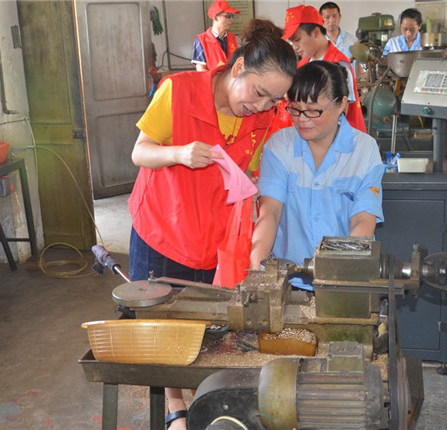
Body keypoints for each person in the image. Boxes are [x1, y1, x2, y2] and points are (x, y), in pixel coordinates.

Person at [128, 23, 297, 430]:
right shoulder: (179, 90)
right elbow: (140, 152)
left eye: (273, 100)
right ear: (238, 67)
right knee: (163, 327)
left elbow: (255, 175)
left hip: (212, 240)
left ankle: (205, 400)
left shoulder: (264, 118)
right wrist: (179, 152)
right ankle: (175, 407)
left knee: (203, 331)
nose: (261, 106)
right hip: (162, 232)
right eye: (258, 93)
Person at [249, 61, 384, 290]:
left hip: (343, 279)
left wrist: (340, 274)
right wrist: (256, 270)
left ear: (341, 104)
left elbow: (363, 220)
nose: (302, 119)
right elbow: (270, 212)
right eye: (295, 108)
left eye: (313, 110)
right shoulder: (279, 146)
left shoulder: (365, 150)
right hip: (287, 281)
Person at [282, 5, 366, 133]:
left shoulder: (338, 64)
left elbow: (341, 114)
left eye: (297, 40)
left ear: (315, 33)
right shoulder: (304, 63)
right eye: (292, 42)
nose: (295, 47)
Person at [191, 0, 240, 71]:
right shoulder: (201, 40)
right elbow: (201, 70)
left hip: (231, 81)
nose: (231, 20)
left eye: (232, 16)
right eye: (228, 16)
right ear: (216, 18)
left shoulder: (232, 38)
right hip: (212, 81)